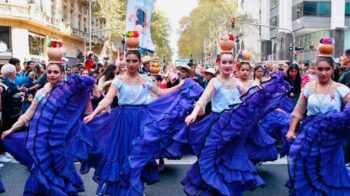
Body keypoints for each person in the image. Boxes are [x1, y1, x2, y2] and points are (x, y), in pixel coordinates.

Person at [71, 47, 201, 196]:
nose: (131, 64)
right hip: (123, 121)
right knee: (122, 155)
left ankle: (136, 189)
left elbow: (161, 93)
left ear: (139, 63)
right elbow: (107, 99)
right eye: (128, 61)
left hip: (142, 119)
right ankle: (124, 190)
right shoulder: (118, 80)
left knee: (138, 156)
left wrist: (180, 86)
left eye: (134, 61)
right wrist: (93, 114)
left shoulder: (145, 79)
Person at [2, 58, 95, 195]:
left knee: (60, 167)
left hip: (61, 140)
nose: (52, 74)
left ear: (61, 74)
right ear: (45, 73)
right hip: (42, 138)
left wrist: (85, 83)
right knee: (41, 167)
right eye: (49, 71)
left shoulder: (68, 90)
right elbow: (28, 115)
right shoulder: (41, 93)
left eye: (55, 72)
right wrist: (11, 129)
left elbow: (88, 81)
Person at [286, 38, 350, 195]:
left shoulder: (341, 89)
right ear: (314, 69)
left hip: (331, 136)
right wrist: (291, 130)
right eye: (319, 69)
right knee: (308, 168)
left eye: (327, 69)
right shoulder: (308, 87)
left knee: (329, 170)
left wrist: (341, 116)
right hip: (310, 134)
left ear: (333, 68)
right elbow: (298, 110)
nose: (323, 73)